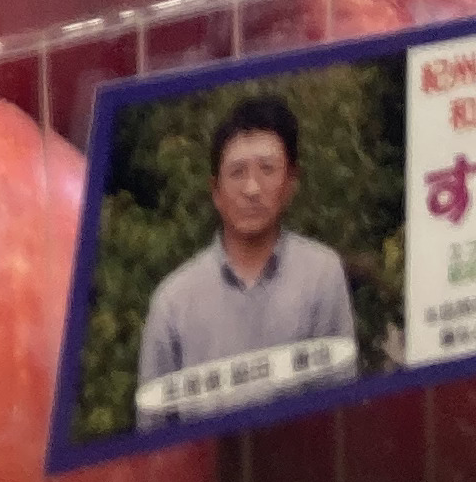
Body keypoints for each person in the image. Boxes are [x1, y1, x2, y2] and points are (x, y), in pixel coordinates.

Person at [134, 98, 358, 416]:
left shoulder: (322, 273)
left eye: (267, 169)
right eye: (237, 172)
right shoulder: (173, 301)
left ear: (290, 183)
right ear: (216, 191)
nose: (252, 188)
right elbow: (153, 429)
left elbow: (340, 404)